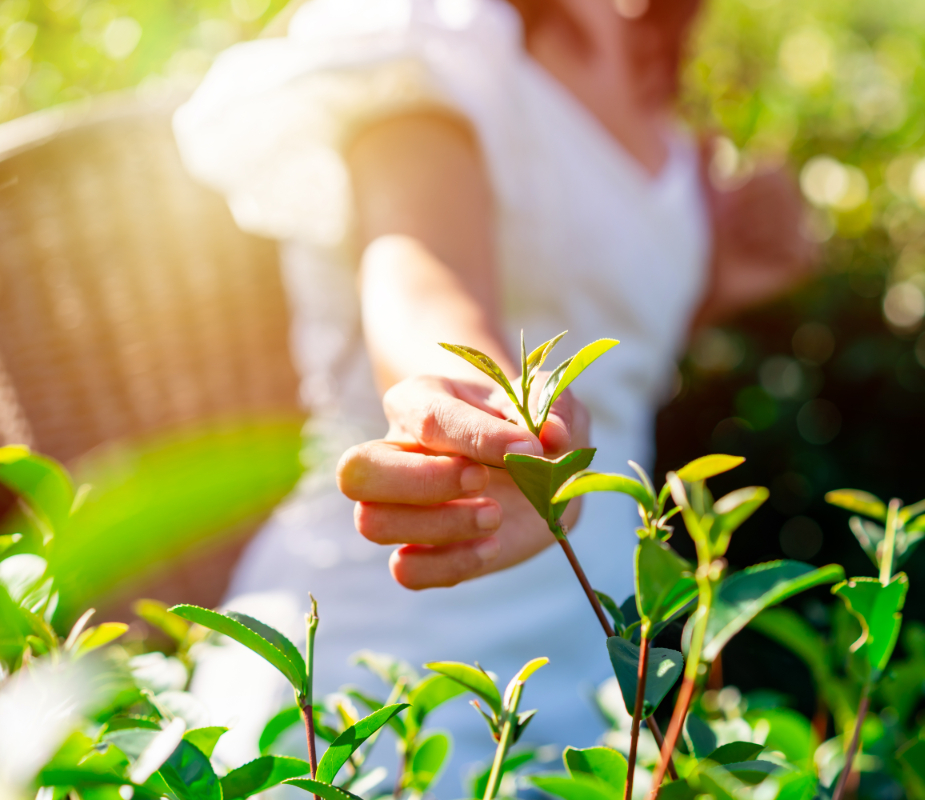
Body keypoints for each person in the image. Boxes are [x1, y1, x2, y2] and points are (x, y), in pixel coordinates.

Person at [174, 0, 813, 788]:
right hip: (395, 649)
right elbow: (422, 276)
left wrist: (733, 268)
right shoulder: (430, 31)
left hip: (600, 658)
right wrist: (494, 417)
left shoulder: (646, 51)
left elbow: (609, 341)